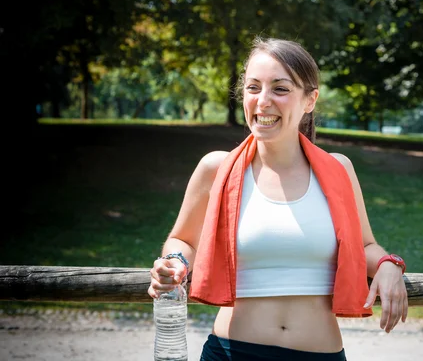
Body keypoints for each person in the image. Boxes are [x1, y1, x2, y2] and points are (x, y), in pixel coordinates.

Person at [148, 37, 408, 360]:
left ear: (310, 100)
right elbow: (181, 240)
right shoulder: (215, 168)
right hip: (231, 353)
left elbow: (366, 246)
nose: (263, 101)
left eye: (280, 89)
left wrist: (387, 265)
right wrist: (175, 262)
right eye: (253, 87)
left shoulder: (340, 170)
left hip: (320, 354)